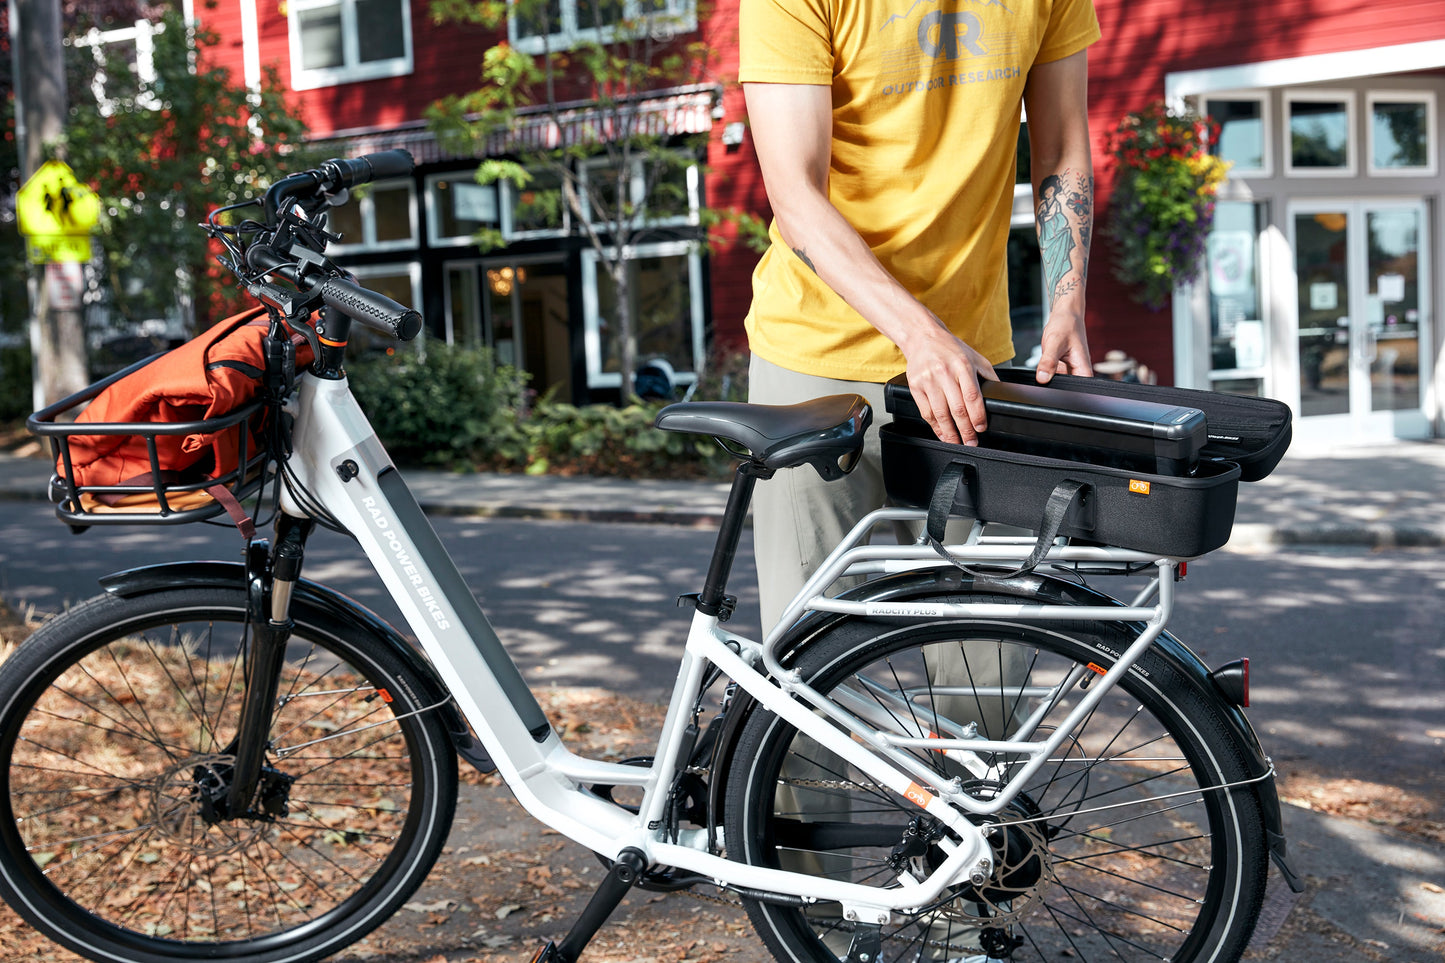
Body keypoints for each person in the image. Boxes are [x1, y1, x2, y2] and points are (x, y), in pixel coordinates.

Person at [739, 0, 1102, 632]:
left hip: (974, 366)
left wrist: (1066, 301)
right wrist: (921, 336)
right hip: (815, 361)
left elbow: (1062, 142)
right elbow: (796, 195)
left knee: (987, 668)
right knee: (810, 665)